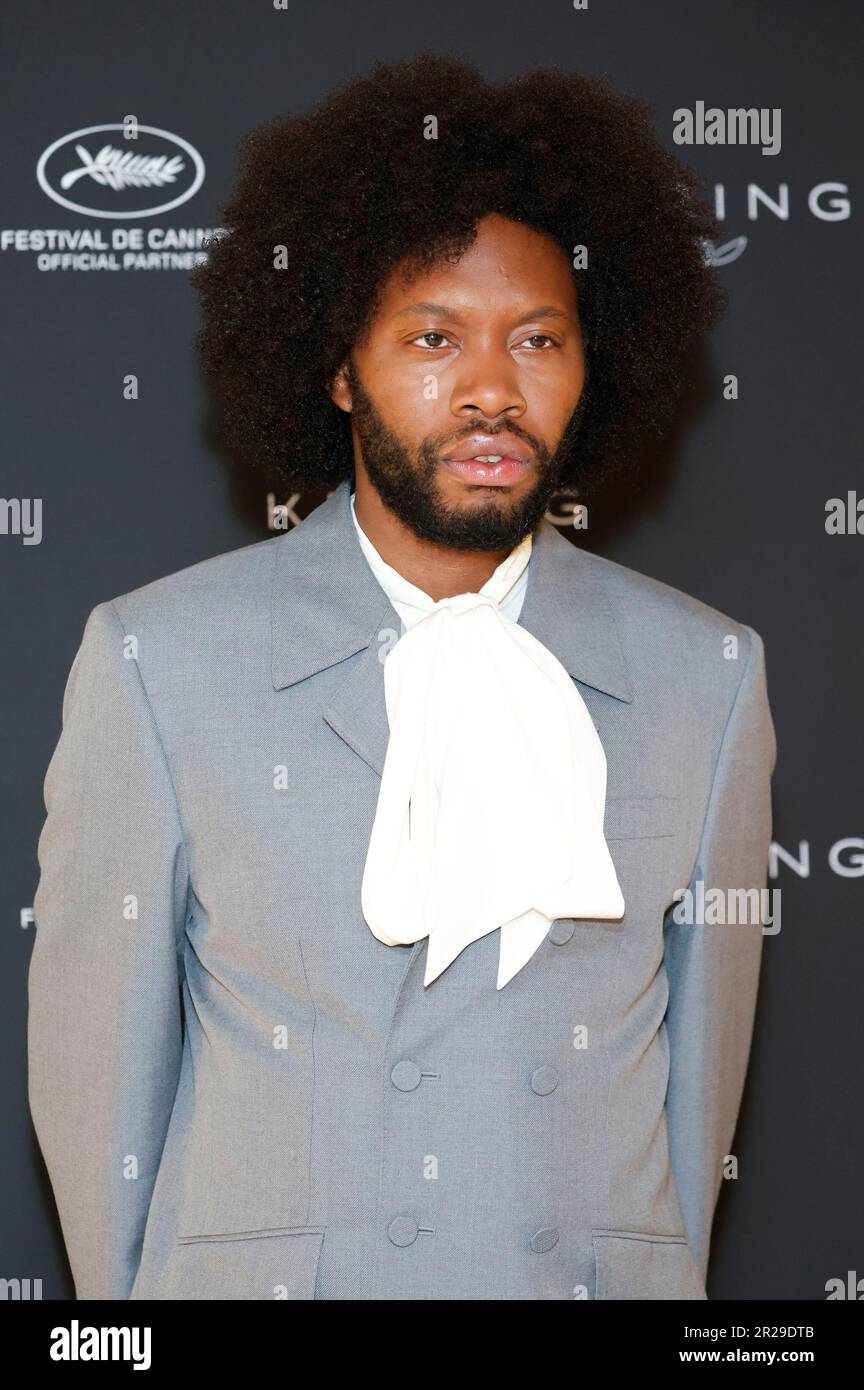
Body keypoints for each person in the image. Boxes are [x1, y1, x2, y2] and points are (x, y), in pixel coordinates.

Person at [28, 53, 776, 1301]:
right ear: (338, 366)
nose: (491, 388)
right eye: (435, 338)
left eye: (538, 338)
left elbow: (697, 1117)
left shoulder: (706, 677)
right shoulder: (160, 661)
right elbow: (98, 1094)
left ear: (596, 365)